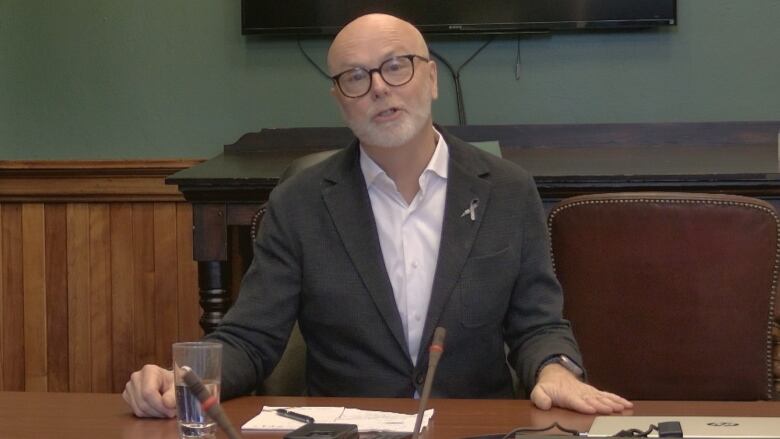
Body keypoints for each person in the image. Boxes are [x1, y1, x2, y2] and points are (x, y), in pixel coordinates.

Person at [123, 13, 632, 418]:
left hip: (474, 427)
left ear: (431, 77)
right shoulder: (299, 202)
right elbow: (250, 338)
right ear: (339, 101)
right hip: (346, 430)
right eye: (354, 78)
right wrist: (186, 377)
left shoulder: (508, 190)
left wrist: (556, 369)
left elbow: (537, 324)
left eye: (396, 66)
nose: (379, 88)